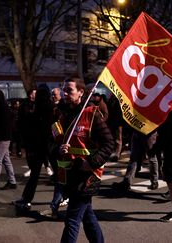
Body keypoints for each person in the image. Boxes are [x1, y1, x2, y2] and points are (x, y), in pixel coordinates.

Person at [57, 77, 114, 243]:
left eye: (69, 90)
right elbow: (53, 140)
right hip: (69, 175)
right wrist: (58, 149)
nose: (65, 93)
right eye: (64, 89)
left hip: (86, 176)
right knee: (88, 218)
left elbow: (108, 143)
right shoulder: (63, 114)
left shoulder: (92, 114)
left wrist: (91, 163)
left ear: (81, 92)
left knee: (72, 220)